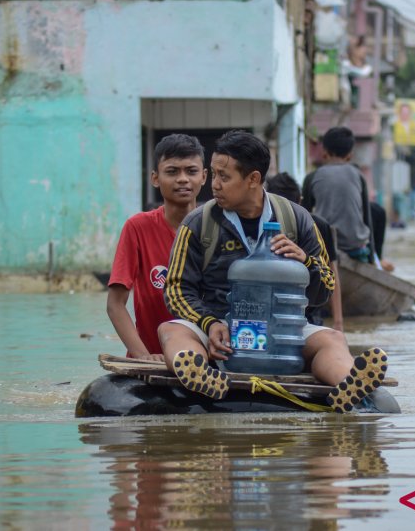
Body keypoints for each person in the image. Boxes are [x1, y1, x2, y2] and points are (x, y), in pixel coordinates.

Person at [159, 130, 387, 413]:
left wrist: (305, 263)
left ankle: (348, 385)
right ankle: (200, 375)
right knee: (171, 330)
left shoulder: (296, 218)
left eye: (224, 177)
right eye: (213, 174)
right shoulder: (198, 223)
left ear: (253, 179)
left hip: (285, 334)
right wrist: (209, 323)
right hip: (221, 334)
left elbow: (324, 289)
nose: (214, 185)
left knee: (332, 339)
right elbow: (176, 289)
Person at [106, 134, 207, 361]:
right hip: (153, 357)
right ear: (155, 178)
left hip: (202, 359)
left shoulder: (218, 227)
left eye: (191, 171)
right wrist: (144, 356)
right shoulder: (137, 227)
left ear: (204, 177)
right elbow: (115, 304)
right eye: (172, 172)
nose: (182, 179)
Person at [266, 172, 344, 331]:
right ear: (300, 199)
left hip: (307, 316)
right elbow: (333, 272)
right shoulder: (265, 225)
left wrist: (338, 323)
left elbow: (330, 275)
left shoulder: (316, 225)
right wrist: (338, 322)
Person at [302, 127, 375, 265]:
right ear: (350, 155)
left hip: (325, 249)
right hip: (356, 249)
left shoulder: (312, 177)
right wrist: (372, 261)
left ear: (324, 152)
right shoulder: (359, 176)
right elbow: (367, 219)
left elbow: (304, 217)